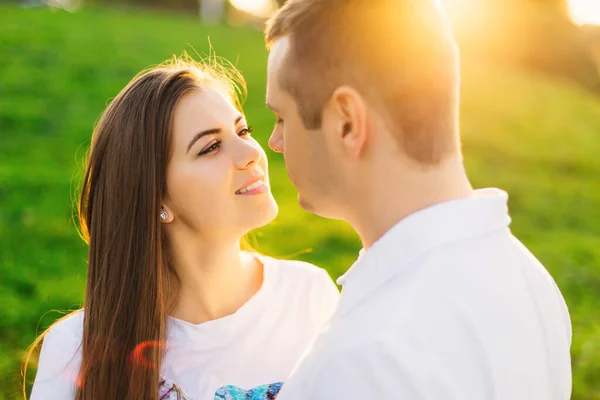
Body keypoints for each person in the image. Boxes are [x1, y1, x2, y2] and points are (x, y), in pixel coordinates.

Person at [264, 0, 572, 399]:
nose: (274, 142)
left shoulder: (363, 360)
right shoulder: (531, 280)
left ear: (346, 123)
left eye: (282, 118)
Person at [24, 56, 339, 400]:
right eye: (211, 147)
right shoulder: (76, 349)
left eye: (242, 130)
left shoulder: (309, 296)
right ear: (157, 198)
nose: (250, 152)